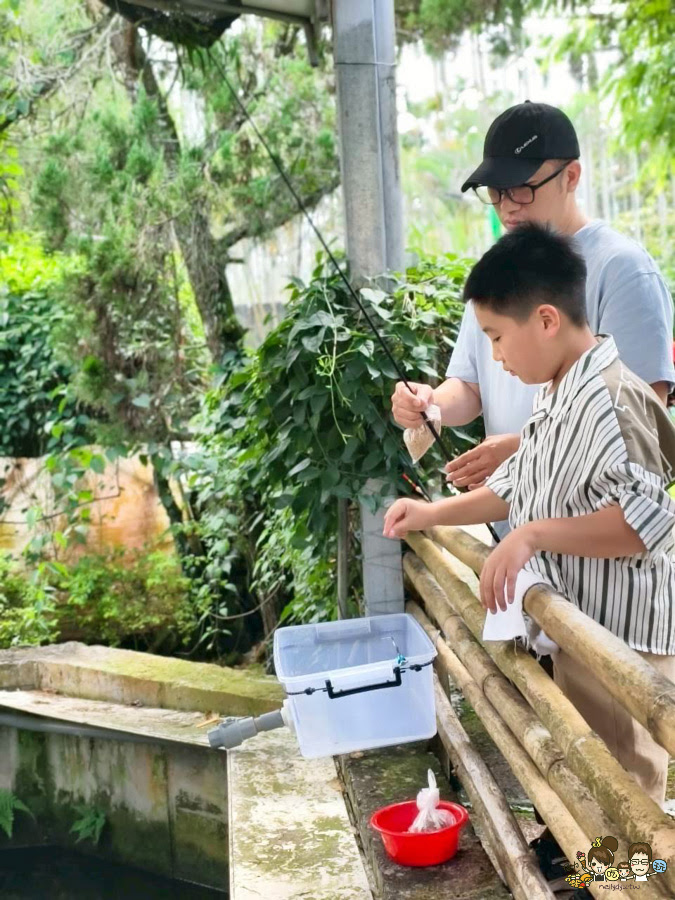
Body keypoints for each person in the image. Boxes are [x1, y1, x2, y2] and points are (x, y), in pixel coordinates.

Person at [383, 224, 675, 809]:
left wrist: (531, 536)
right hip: (585, 627)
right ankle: (604, 879)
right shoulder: (556, 389)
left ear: (546, 320)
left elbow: (642, 525)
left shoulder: (611, 399)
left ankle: (633, 885)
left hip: (626, 640)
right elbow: (518, 486)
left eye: (496, 336)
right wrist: (430, 512)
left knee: (631, 800)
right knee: (602, 790)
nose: (494, 356)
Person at [391, 101, 675, 539]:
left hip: (595, 547)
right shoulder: (499, 268)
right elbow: (469, 385)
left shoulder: (623, 269)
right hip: (517, 537)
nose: (507, 207)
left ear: (571, 177)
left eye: (521, 188)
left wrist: (524, 449)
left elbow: (638, 423)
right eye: (496, 191)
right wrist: (430, 405)